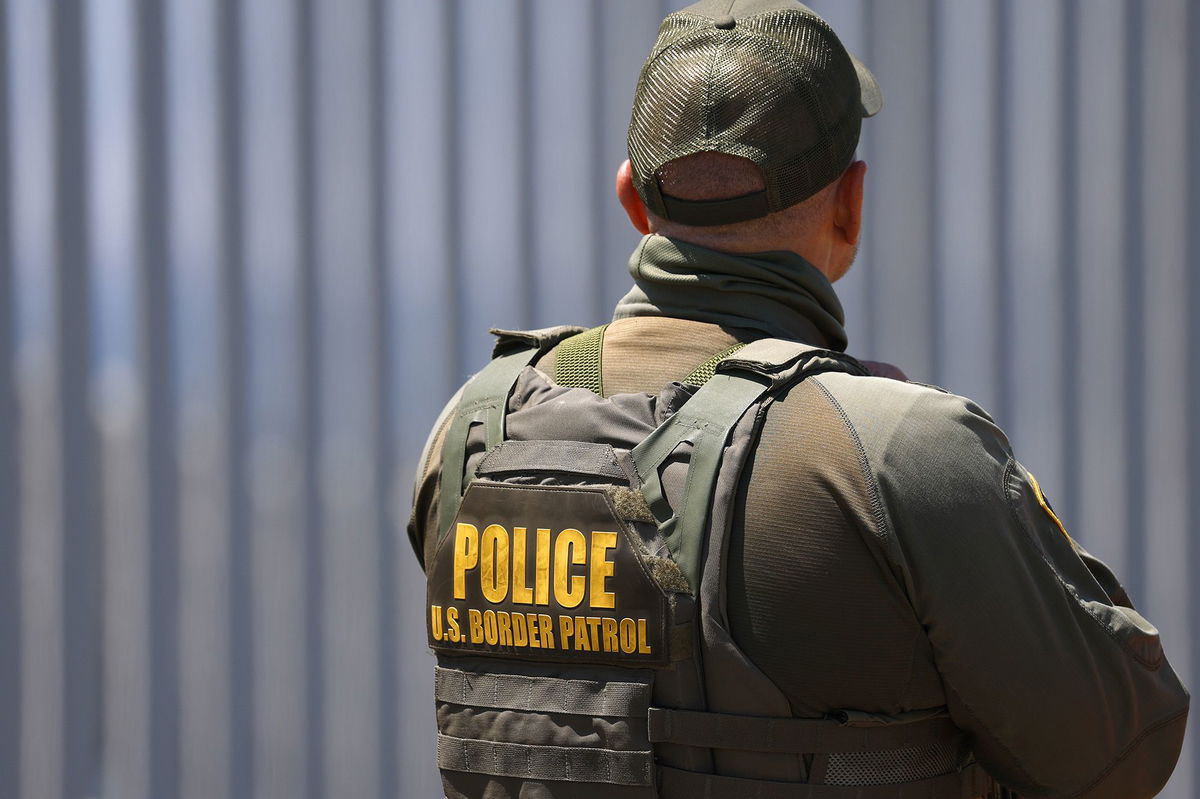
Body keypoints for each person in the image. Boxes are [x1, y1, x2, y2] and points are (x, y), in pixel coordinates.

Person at [408, 1, 1190, 797]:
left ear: (634, 204)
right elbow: (1123, 748)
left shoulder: (475, 427)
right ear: (850, 205)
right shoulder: (899, 449)